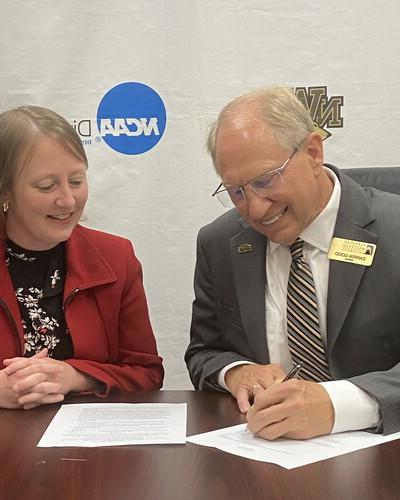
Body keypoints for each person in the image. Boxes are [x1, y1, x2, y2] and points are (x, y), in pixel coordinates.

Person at [185, 86, 400, 440]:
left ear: (314, 152)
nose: (254, 209)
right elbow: (204, 351)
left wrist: (337, 404)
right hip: (266, 458)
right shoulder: (219, 243)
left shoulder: (394, 230)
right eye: (236, 192)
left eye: (265, 181)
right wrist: (236, 371)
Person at [0, 105, 164, 409]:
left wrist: (75, 376)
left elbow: (147, 374)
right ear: (5, 192)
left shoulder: (116, 257)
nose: (68, 200)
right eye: (46, 186)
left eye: (76, 181)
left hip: (89, 450)